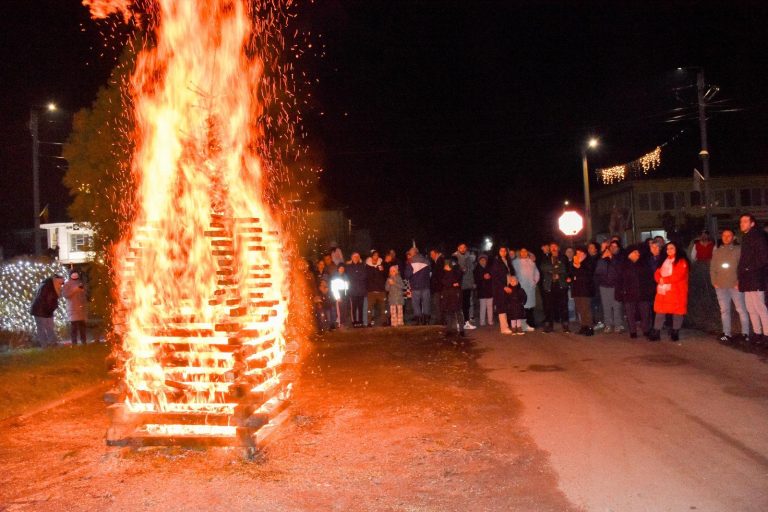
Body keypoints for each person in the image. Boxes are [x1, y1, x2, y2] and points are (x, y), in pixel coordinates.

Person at [710, 229, 749, 344]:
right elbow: (713, 268)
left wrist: (739, 281)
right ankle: (726, 333)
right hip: (721, 286)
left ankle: (745, 333)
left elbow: (742, 267)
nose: (726, 238)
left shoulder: (738, 250)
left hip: (735, 285)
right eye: (724, 235)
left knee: (741, 309)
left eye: (729, 235)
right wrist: (714, 282)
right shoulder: (717, 251)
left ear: (733, 237)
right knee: (724, 310)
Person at [648, 242, 689, 341]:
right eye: (667, 249)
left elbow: (679, 275)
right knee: (660, 311)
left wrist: (664, 280)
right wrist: (659, 279)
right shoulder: (664, 260)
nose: (669, 250)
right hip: (663, 291)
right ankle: (656, 332)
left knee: (677, 312)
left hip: (677, 291)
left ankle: (675, 332)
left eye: (671, 248)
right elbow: (657, 272)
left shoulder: (681, 261)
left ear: (677, 249)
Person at [737, 214, 768, 345]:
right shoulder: (746, 237)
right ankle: (757, 333)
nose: (742, 224)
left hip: (756, 278)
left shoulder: (758, 237)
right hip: (747, 278)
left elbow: (764, 258)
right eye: (741, 222)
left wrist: (748, 268)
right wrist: (741, 275)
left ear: (752, 223)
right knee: (751, 308)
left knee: (760, 307)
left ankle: (766, 335)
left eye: (745, 221)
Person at [615, 245, 655, 339]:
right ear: (629, 254)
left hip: (642, 292)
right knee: (630, 313)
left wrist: (650, 291)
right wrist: (619, 293)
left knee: (645, 312)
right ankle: (633, 331)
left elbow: (649, 279)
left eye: (638, 252)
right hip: (629, 293)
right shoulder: (623, 265)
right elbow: (619, 280)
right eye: (635, 252)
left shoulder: (644, 264)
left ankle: (645, 329)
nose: (638, 254)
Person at [594, 240, 624, 333]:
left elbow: (619, 271)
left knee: (616, 306)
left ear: (618, 248)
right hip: (604, 286)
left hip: (616, 286)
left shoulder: (620, 258)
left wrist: (612, 259)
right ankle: (608, 324)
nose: (613, 248)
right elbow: (598, 271)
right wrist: (602, 259)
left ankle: (618, 324)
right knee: (606, 306)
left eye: (615, 246)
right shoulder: (603, 259)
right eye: (611, 246)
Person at [540, 242, 570, 333]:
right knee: (549, 306)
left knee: (563, 305)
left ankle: (565, 325)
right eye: (551, 247)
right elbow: (543, 267)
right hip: (549, 285)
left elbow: (565, 268)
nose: (553, 248)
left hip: (561, 284)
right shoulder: (546, 258)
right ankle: (549, 325)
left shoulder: (563, 258)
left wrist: (556, 273)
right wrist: (556, 270)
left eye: (555, 247)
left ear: (558, 248)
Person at [30, 274, 64, 348]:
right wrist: (51, 308)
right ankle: (45, 345)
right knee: (42, 328)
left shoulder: (50, 285)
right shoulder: (48, 286)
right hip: (40, 310)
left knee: (49, 328)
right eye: (61, 283)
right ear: (56, 280)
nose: (61, 285)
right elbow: (47, 300)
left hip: (47, 310)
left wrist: (51, 309)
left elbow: (52, 299)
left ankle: (52, 343)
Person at [512, 247, 540, 330]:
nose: (524, 253)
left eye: (525, 251)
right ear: (520, 253)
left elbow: (536, 273)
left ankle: (531, 322)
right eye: (522, 251)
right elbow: (513, 274)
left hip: (530, 287)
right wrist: (516, 283)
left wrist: (534, 281)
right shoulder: (515, 262)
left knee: (530, 306)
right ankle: (522, 324)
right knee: (522, 305)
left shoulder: (531, 262)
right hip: (521, 287)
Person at [570, 247, 595, 336]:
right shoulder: (575, 262)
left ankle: (590, 327)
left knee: (586, 309)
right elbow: (572, 273)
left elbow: (589, 274)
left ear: (584, 254)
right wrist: (574, 268)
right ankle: (583, 326)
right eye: (576, 253)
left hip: (585, 289)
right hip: (577, 289)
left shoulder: (589, 262)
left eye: (579, 253)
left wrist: (580, 266)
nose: (577, 255)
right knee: (580, 309)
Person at [491, 246, 515, 334]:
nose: (503, 252)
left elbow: (510, 274)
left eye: (505, 251)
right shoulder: (496, 262)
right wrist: (504, 287)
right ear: (498, 252)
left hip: (509, 287)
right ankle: (504, 328)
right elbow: (495, 278)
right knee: (501, 307)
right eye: (501, 251)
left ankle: (507, 325)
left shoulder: (508, 261)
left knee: (507, 306)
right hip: (500, 288)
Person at [405, 247, 431, 325]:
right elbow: (430, 273)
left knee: (416, 304)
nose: (409, 254)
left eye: (410, 252)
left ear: (413, 253)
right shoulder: (426, 261)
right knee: (426, 303)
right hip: (426, 285)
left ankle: (418, 320)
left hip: (415, 286)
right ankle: (426, 320)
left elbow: (407, 275)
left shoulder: (411, 262)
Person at [453, 243, 477, 330]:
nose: (463, 249)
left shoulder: (469, 257)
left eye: (464, 247)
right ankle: (458, 323)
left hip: (468, 284)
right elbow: (452, 271)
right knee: (458, 304)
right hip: (459, 285)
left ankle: (466, 322)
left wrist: (472, 282)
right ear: (458, 248)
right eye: (461, 248)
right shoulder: (455, 257)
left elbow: (471, 271)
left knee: (466, 304)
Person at [62, 269, 88, 345]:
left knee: (82, 326)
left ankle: (84, 341)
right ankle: (74, 343)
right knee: (74, 327)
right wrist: (75, 290)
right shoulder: (67, 284)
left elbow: (84, 296)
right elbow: (65, 295)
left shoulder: (81, 283)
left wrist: (83, 291)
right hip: (73, 308)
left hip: (81, 308)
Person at [441, 258, 465, 337]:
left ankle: (461, 330)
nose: (445, 266)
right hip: (448, 294)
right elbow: (444, 282)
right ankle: (449, 330)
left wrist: (451, 283)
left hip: (455, 294)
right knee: (449, 312)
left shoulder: (457, 271)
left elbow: (456, 281)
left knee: (458, 311)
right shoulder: (445, 272)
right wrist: (452, 284)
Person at [365, 250, 387, 327]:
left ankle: (384, 321)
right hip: (371, 290)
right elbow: (366, 277)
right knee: (369, 308)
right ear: (371, 256)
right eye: (374, 255)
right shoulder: (367, 266)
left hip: (381, 290)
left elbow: (384, 275)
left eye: (377, 255)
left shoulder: (381, 264)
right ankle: (369, 322)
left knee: (383, 307)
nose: (376, 257)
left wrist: (383, 270)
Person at [346, 252, 367, 327]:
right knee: (354, 307)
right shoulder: (348, 267)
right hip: (352, 290)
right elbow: (349, 276)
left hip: (361, 290)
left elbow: (364, 276)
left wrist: (355, 277)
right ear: (352, 258)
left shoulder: (362, 266)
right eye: (354, 256)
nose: (356, 258)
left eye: (357, 256)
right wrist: (357, 276)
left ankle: (360, 321)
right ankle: (354, 322)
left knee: (361, 307)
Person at [473, 254, 494, 326]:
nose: (483, 261)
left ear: (486, 261)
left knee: (490, 306)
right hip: (481, 291)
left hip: (490, 290)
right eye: (481, 260)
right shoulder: (476, 269)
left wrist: (490, 276)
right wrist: (483, 277)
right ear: (479, 261)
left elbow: (493, 277)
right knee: (482, 307)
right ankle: (482, 321)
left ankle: (490, 321)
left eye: (484, 260)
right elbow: (476, 279)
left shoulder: (490, 268)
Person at [428, 249, 445, 325]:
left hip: (438, 287)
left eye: (432, 254)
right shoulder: (437, 261)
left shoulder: (440, 261)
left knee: (437, 303)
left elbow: (439, 275)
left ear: (437, 253)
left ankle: (440, 320)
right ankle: (440, 319)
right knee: (438, 304)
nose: (431, 256)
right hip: (438, 287)